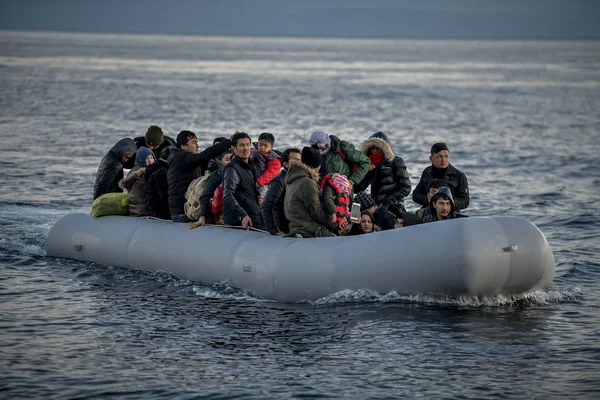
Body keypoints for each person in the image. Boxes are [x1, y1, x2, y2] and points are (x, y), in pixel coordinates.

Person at [167, 130, 232, 223]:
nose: (197, 146)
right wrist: (229, 142)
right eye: (193, 142)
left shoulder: (182, 158)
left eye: (197, 142)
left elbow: (205, 158)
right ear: (183, 146)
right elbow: (205, 155)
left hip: (186, 209)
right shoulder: (182, 158)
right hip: (183, 212)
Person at [284, 147, 346, 238]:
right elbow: (316, 211)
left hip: (296, 227)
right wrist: (335, 223)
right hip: (310, 230)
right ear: (317, 166)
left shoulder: (292, 179)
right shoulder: (307, 183)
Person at [358, 131, 411, 211]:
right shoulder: (368, 164)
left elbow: (405, 187)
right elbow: (357, 189)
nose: (375, 150)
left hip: (394, 207)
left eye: (378, 148)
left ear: (384, 148)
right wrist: (367, 172)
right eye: (373, 148)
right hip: (376, 207)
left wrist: (387, 202)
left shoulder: (396, 161)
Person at [222, 132, 264, 229]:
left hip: (253, 217)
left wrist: (258, 198)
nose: (246, 149)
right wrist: (243, 215)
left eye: (248, 145)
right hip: (240, 222)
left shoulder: (250, 166)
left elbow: (245, 192)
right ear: (234, 148)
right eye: (241, 145)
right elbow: (227, 194)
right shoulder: (232, 168)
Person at [413, 142, 469, 211]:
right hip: (428, 211)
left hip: (450, 214)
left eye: (446, 156)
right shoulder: (427, 172)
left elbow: (465, 201)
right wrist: (430, 200)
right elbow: (416, 195)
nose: (443, 160)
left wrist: (447, 202)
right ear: (431, 158)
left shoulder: (459, 176)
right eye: (439, 156)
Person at [260, 147, 302, 236]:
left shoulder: (297, 179)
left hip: (292, 226)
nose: (299, 164)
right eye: (295, 161)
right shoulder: (279, 181)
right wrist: (274, 230)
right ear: (286, 164)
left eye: (300, 161)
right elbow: (266, 205)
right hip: (282, 228)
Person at [195, 149, 233, 226]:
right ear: (221, 161)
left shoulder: (235, 174)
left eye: (232, 160)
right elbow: (205, 196)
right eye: (227, 159)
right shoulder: (217, 175)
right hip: (215, 217)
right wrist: (202, 217)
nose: (230, 162)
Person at [119, 147, 155, 217]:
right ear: (141, 159)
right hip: (144, 211)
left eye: (151, 157)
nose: (150, 161)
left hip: (133, 209)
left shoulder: (133, 170)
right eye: (147, 158)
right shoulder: (146, 173)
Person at [251, 132, 281, 202]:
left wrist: (259, 182)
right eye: (260, 144)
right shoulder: (253, 153)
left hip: (264, 185)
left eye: (265, 146)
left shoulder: (274, 158)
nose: (262, 147)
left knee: (261, 199)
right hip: (253, 182)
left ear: (271, 147)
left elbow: (271, 173)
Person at [145, 146, 172, 220]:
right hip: (159, 214)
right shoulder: (162, 173)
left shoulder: (153, 168)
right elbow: (164, 196)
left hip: (152, 211)